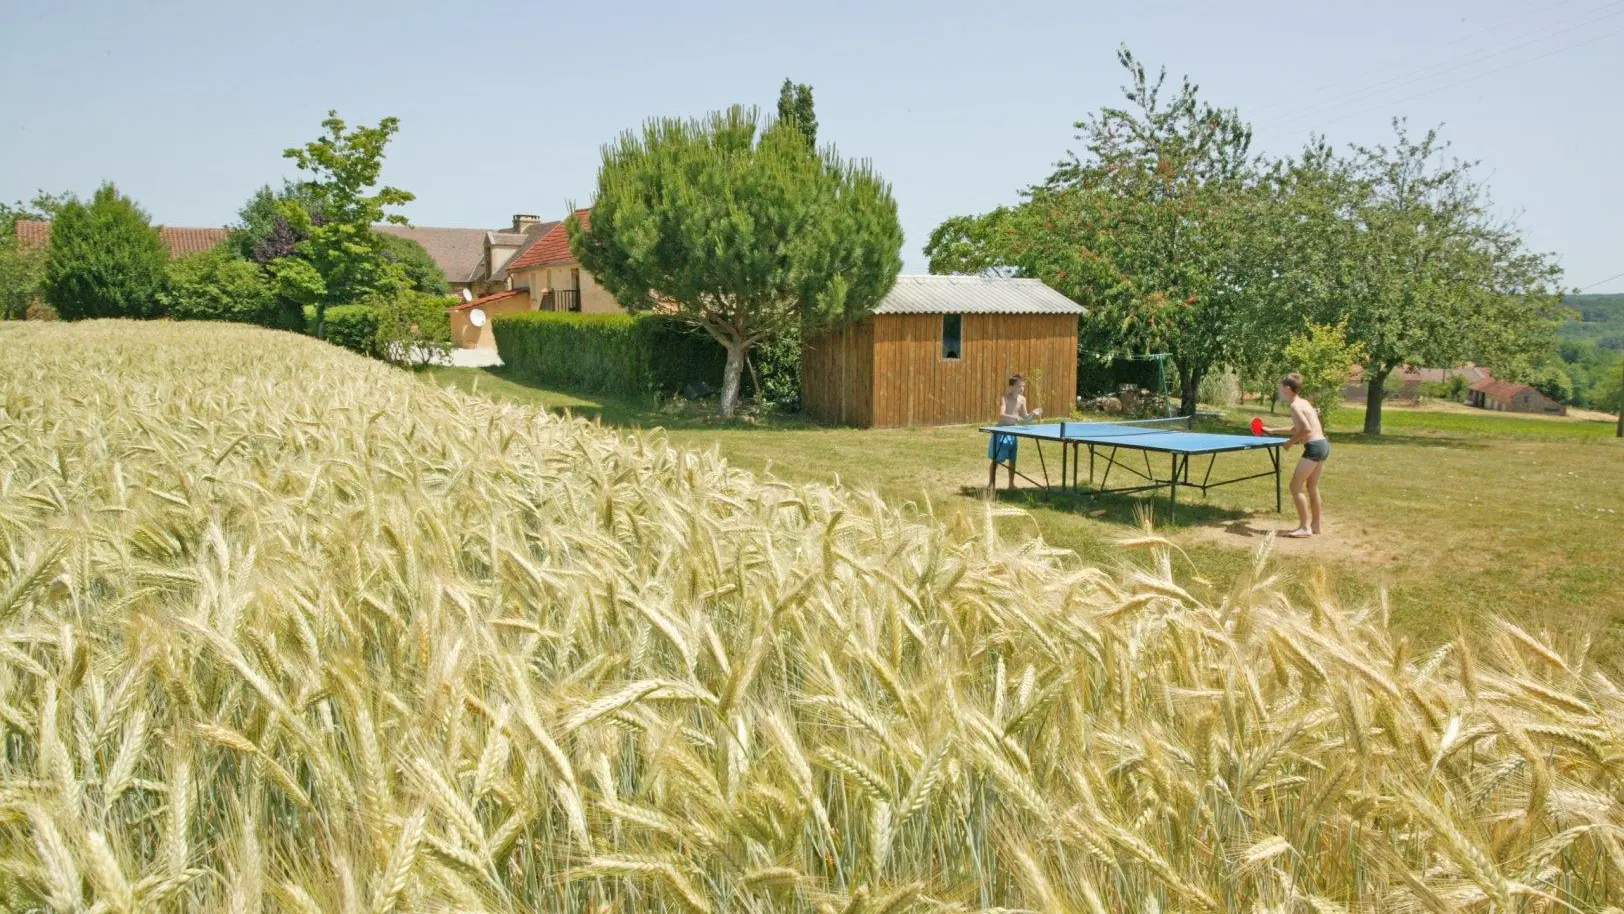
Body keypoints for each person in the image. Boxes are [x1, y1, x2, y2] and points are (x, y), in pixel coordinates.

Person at [1262, 372, 1329, 538]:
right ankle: (1316, 525)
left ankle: (1304, 527)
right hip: (1323, 445)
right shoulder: (1303, 402)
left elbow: (1305, 429)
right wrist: (1273, 430)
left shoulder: (1294, 406)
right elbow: (1297, 428)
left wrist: (1290, 443)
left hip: (1313, 447)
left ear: (1286, 389)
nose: (1279, 390)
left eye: (1280, 387)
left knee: (1295, 486)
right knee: (1312, 486)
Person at [987, 374, 1042, 493]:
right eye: (1019, 386)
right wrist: (1014, 417)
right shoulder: (1005, 398)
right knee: (996, 460)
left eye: (1023, 386)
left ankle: (1011, 484)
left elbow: (1025, 418)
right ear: (1011, 387)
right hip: (1001, 431)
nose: (1022, 389)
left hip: (1013, 432)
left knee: (1012, 459)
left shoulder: (1022, 400)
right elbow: (1001, 414)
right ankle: (991, 484)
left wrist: (1033, 413)